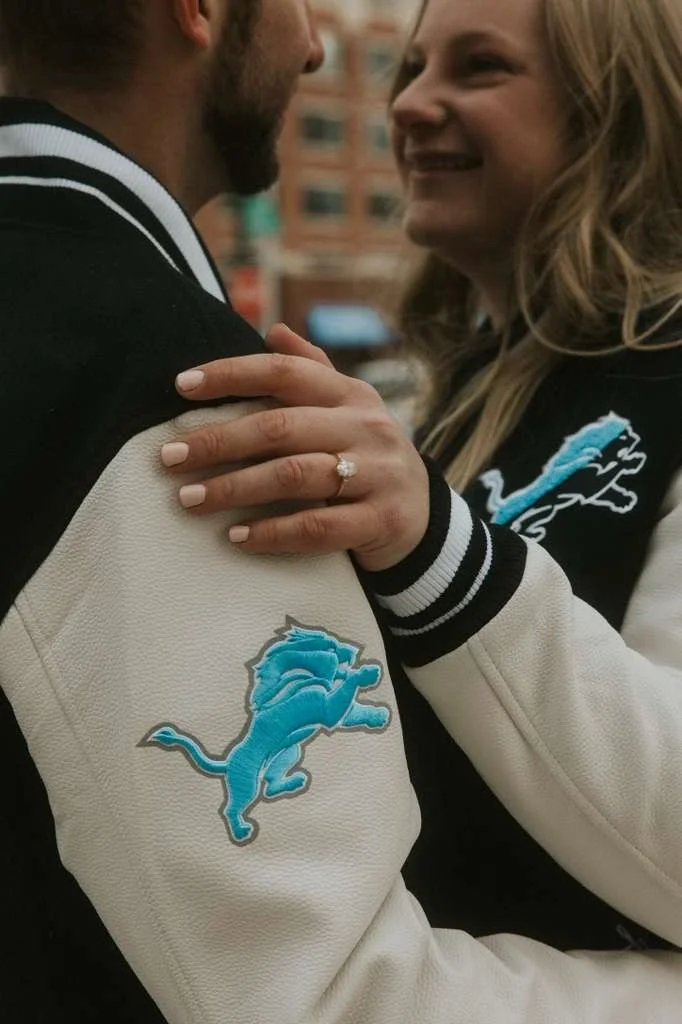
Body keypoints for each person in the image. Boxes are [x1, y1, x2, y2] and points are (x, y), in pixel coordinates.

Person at [4, 1, 682, 1023]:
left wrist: (441, 549)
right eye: (409, 67)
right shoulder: (431, 400)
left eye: (478, 67)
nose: (405, 104)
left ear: (615, 107)